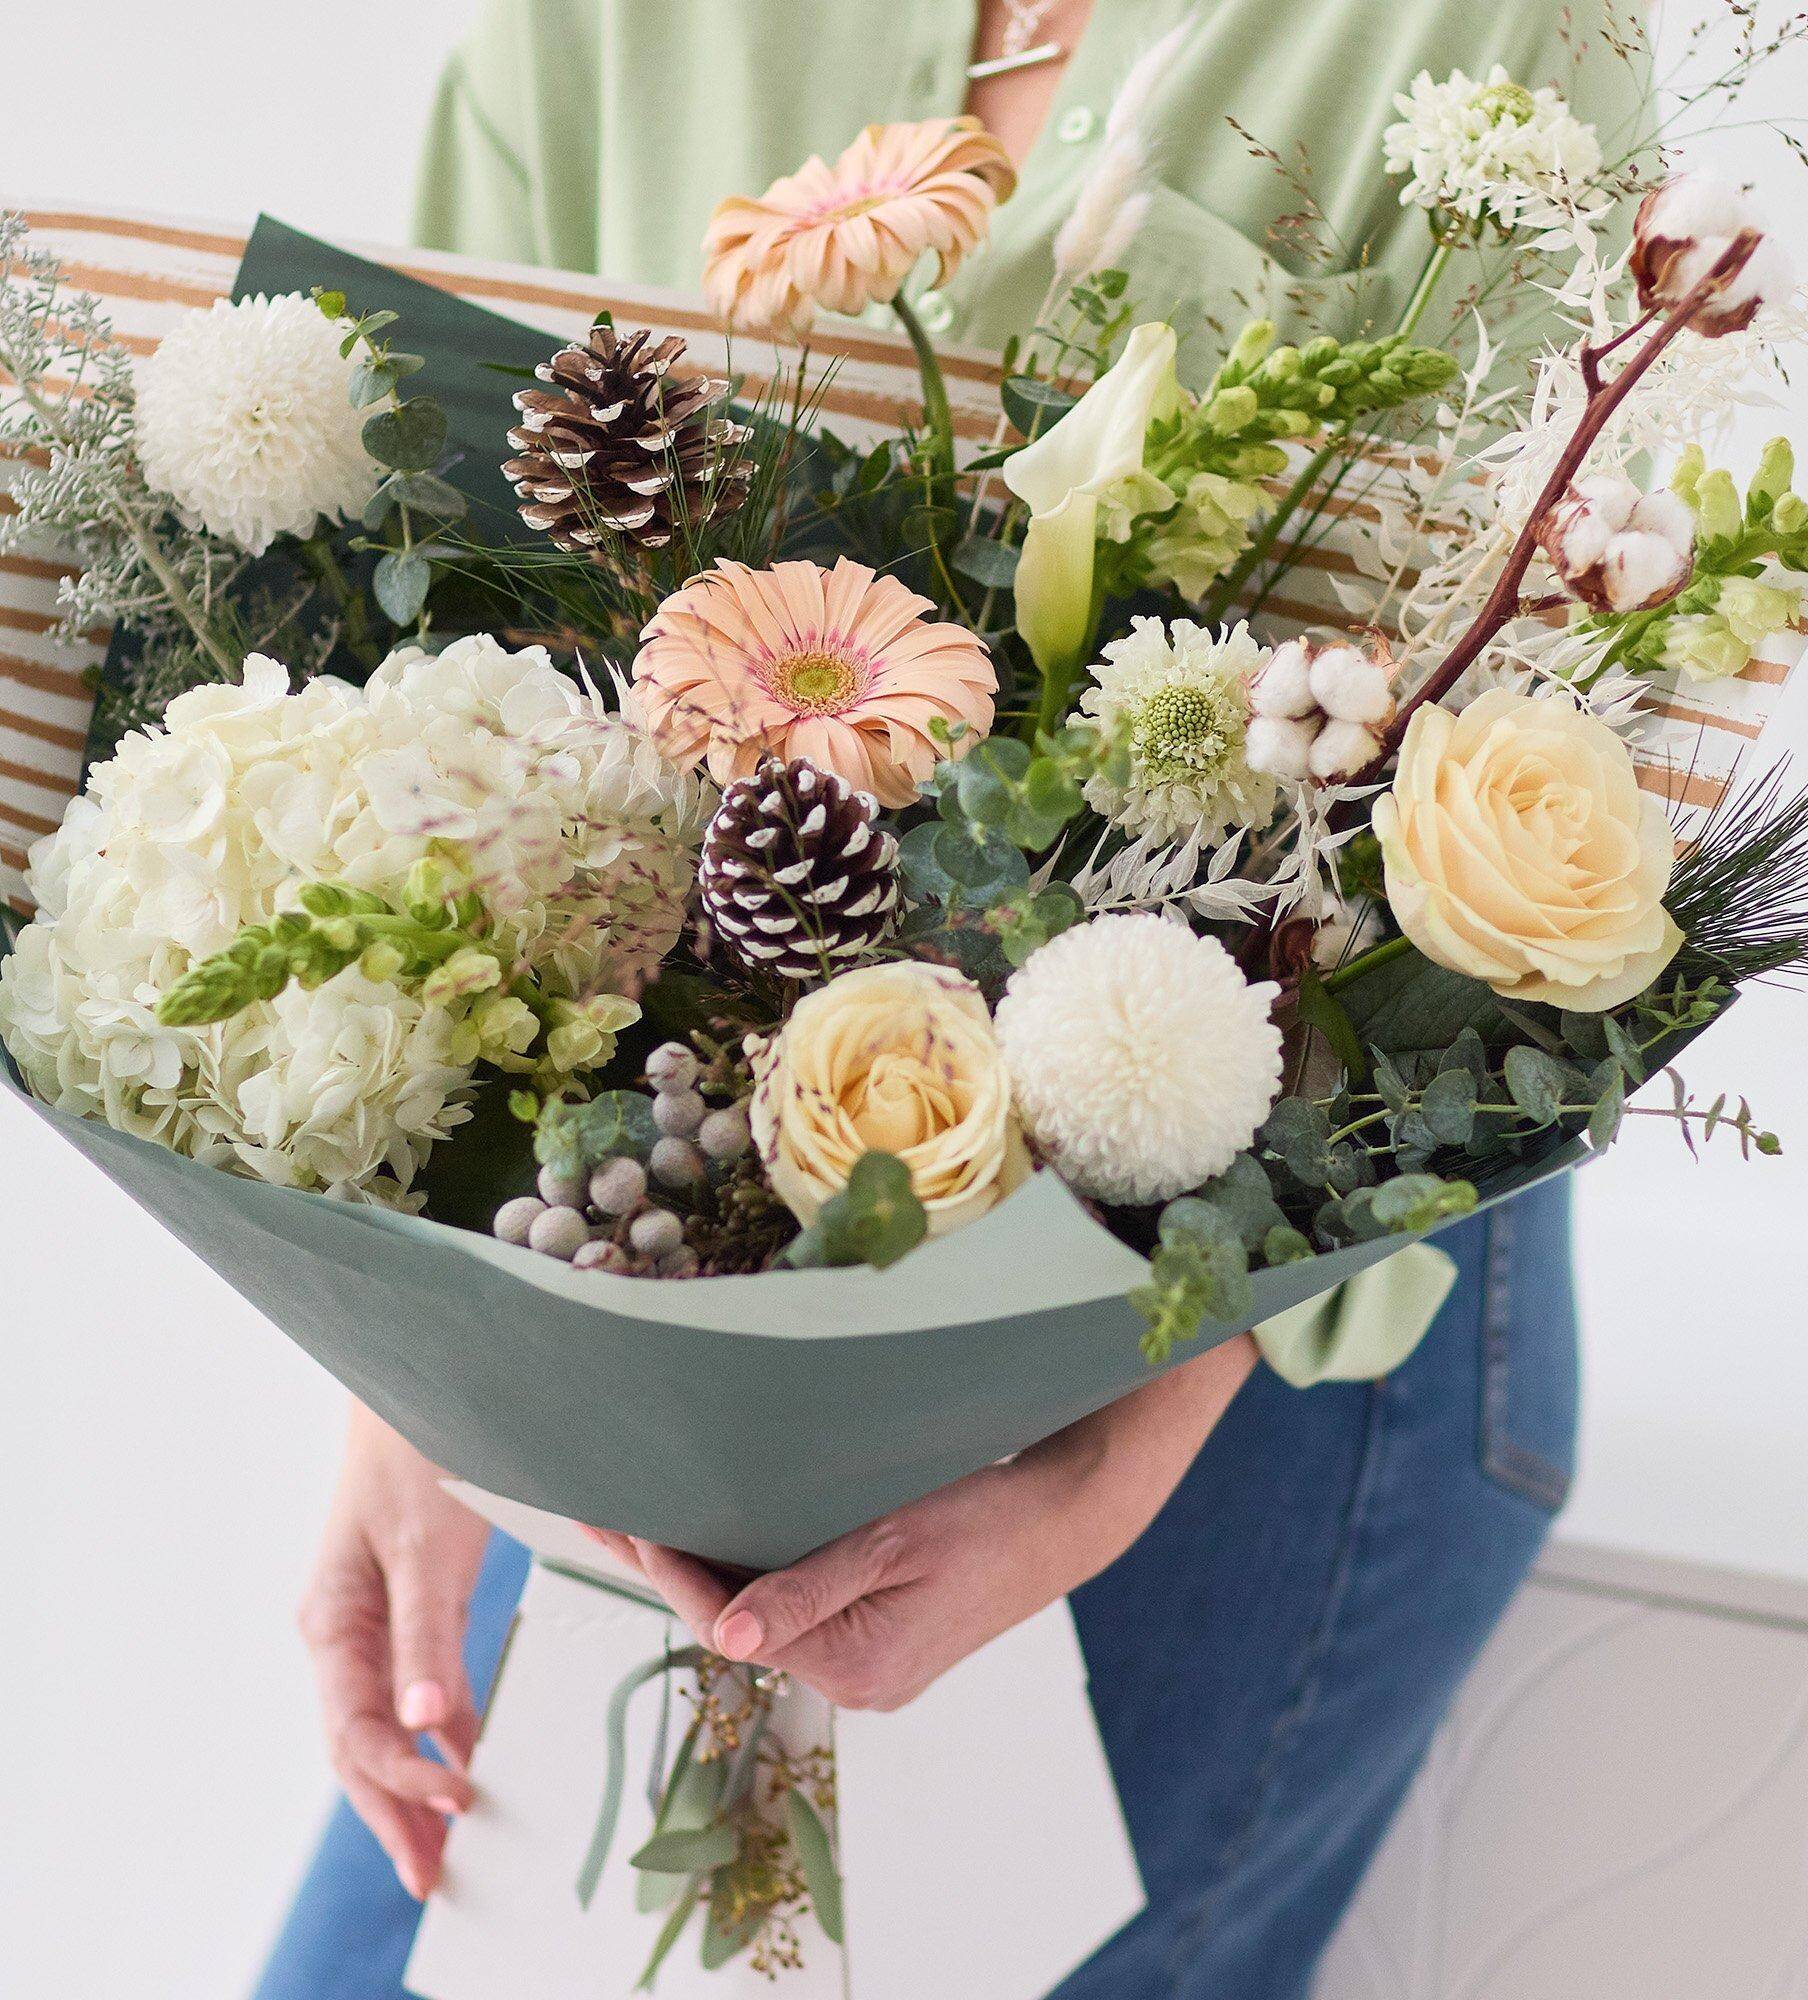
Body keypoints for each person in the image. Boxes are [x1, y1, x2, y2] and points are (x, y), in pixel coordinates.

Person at [256, 4, 1637, 1993]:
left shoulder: (1495, 35)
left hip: (1244, 1331)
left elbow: (1490, 846)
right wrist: (419, 1381)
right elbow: (443, 660)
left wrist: (1120, 1452)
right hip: (649, 1267)